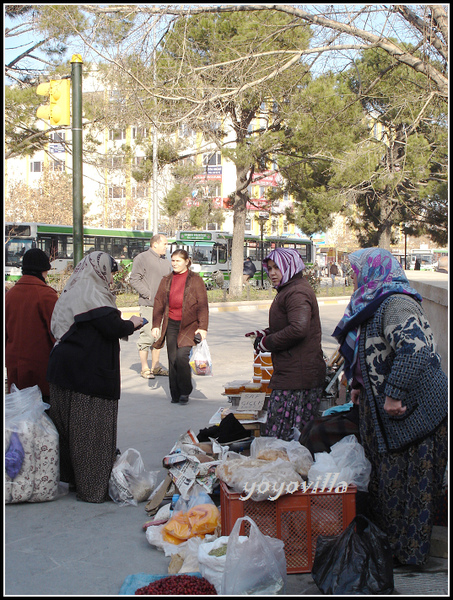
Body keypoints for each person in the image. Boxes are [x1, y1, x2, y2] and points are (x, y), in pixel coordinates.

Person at [332, 247, 448, 566]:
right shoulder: (372, 302)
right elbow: (370, 352)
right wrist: (358, 385)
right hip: (392, 417)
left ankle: (409, 557)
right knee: (389, 486)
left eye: (357, 270)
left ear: (373, 270)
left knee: (413, 490)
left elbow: (414, 350)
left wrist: (393, 393)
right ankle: (392, 551)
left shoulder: (396, 303)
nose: (353, 275)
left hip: (418, 415)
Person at [46, 252, 144, 503]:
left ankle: (75, 481)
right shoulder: (92, 294)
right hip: (88, 375)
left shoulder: (72, 289)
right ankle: (91, 489)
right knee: (92, 433)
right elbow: (112, 327)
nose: (111, 277)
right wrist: (132, 323)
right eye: (110, 271)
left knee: (69, 430)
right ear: (101, 270)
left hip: (62, 371)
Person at [245, 248, 326, 440]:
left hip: (297, 378)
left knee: (285, 439)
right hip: (293, 373)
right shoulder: (289, 289)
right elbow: (289, 323)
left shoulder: (296, 291)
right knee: (285, 440)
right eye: (270, 268)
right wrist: (266, 332)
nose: (272, 273)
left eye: (277, 268)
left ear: (290, 266)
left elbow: (298, 328)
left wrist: (267, 342)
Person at [151, 249, 209, 405]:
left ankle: (185, 391)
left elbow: (203, 305)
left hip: (189, 325)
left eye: (178, 260)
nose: (175, 263)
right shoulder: (167, 280)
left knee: (182, 357)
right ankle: (175, 394)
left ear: (187, 261)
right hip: (171, 324)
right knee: (172, 359)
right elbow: (158, 303)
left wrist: (203, 327)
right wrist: (156, 324)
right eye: (173, 260)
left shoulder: (196, 280)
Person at [5, 248, 58, 401]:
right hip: (40, 370)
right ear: (44, 269)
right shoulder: (46, 294)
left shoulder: (10, 295)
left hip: (15, 369)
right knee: (42, 420)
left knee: (20, 419)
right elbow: (57, 332)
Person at [130, 234, 171, 379]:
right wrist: (148, 294)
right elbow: (134, 279)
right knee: (147, 335)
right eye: (164, 244)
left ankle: (156, 366)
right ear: (155, 244)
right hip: (149, 305)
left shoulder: (166, 261)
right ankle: (145, 368)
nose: (166, 247)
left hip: (164, 306)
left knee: (159, 337)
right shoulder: (142, 258)